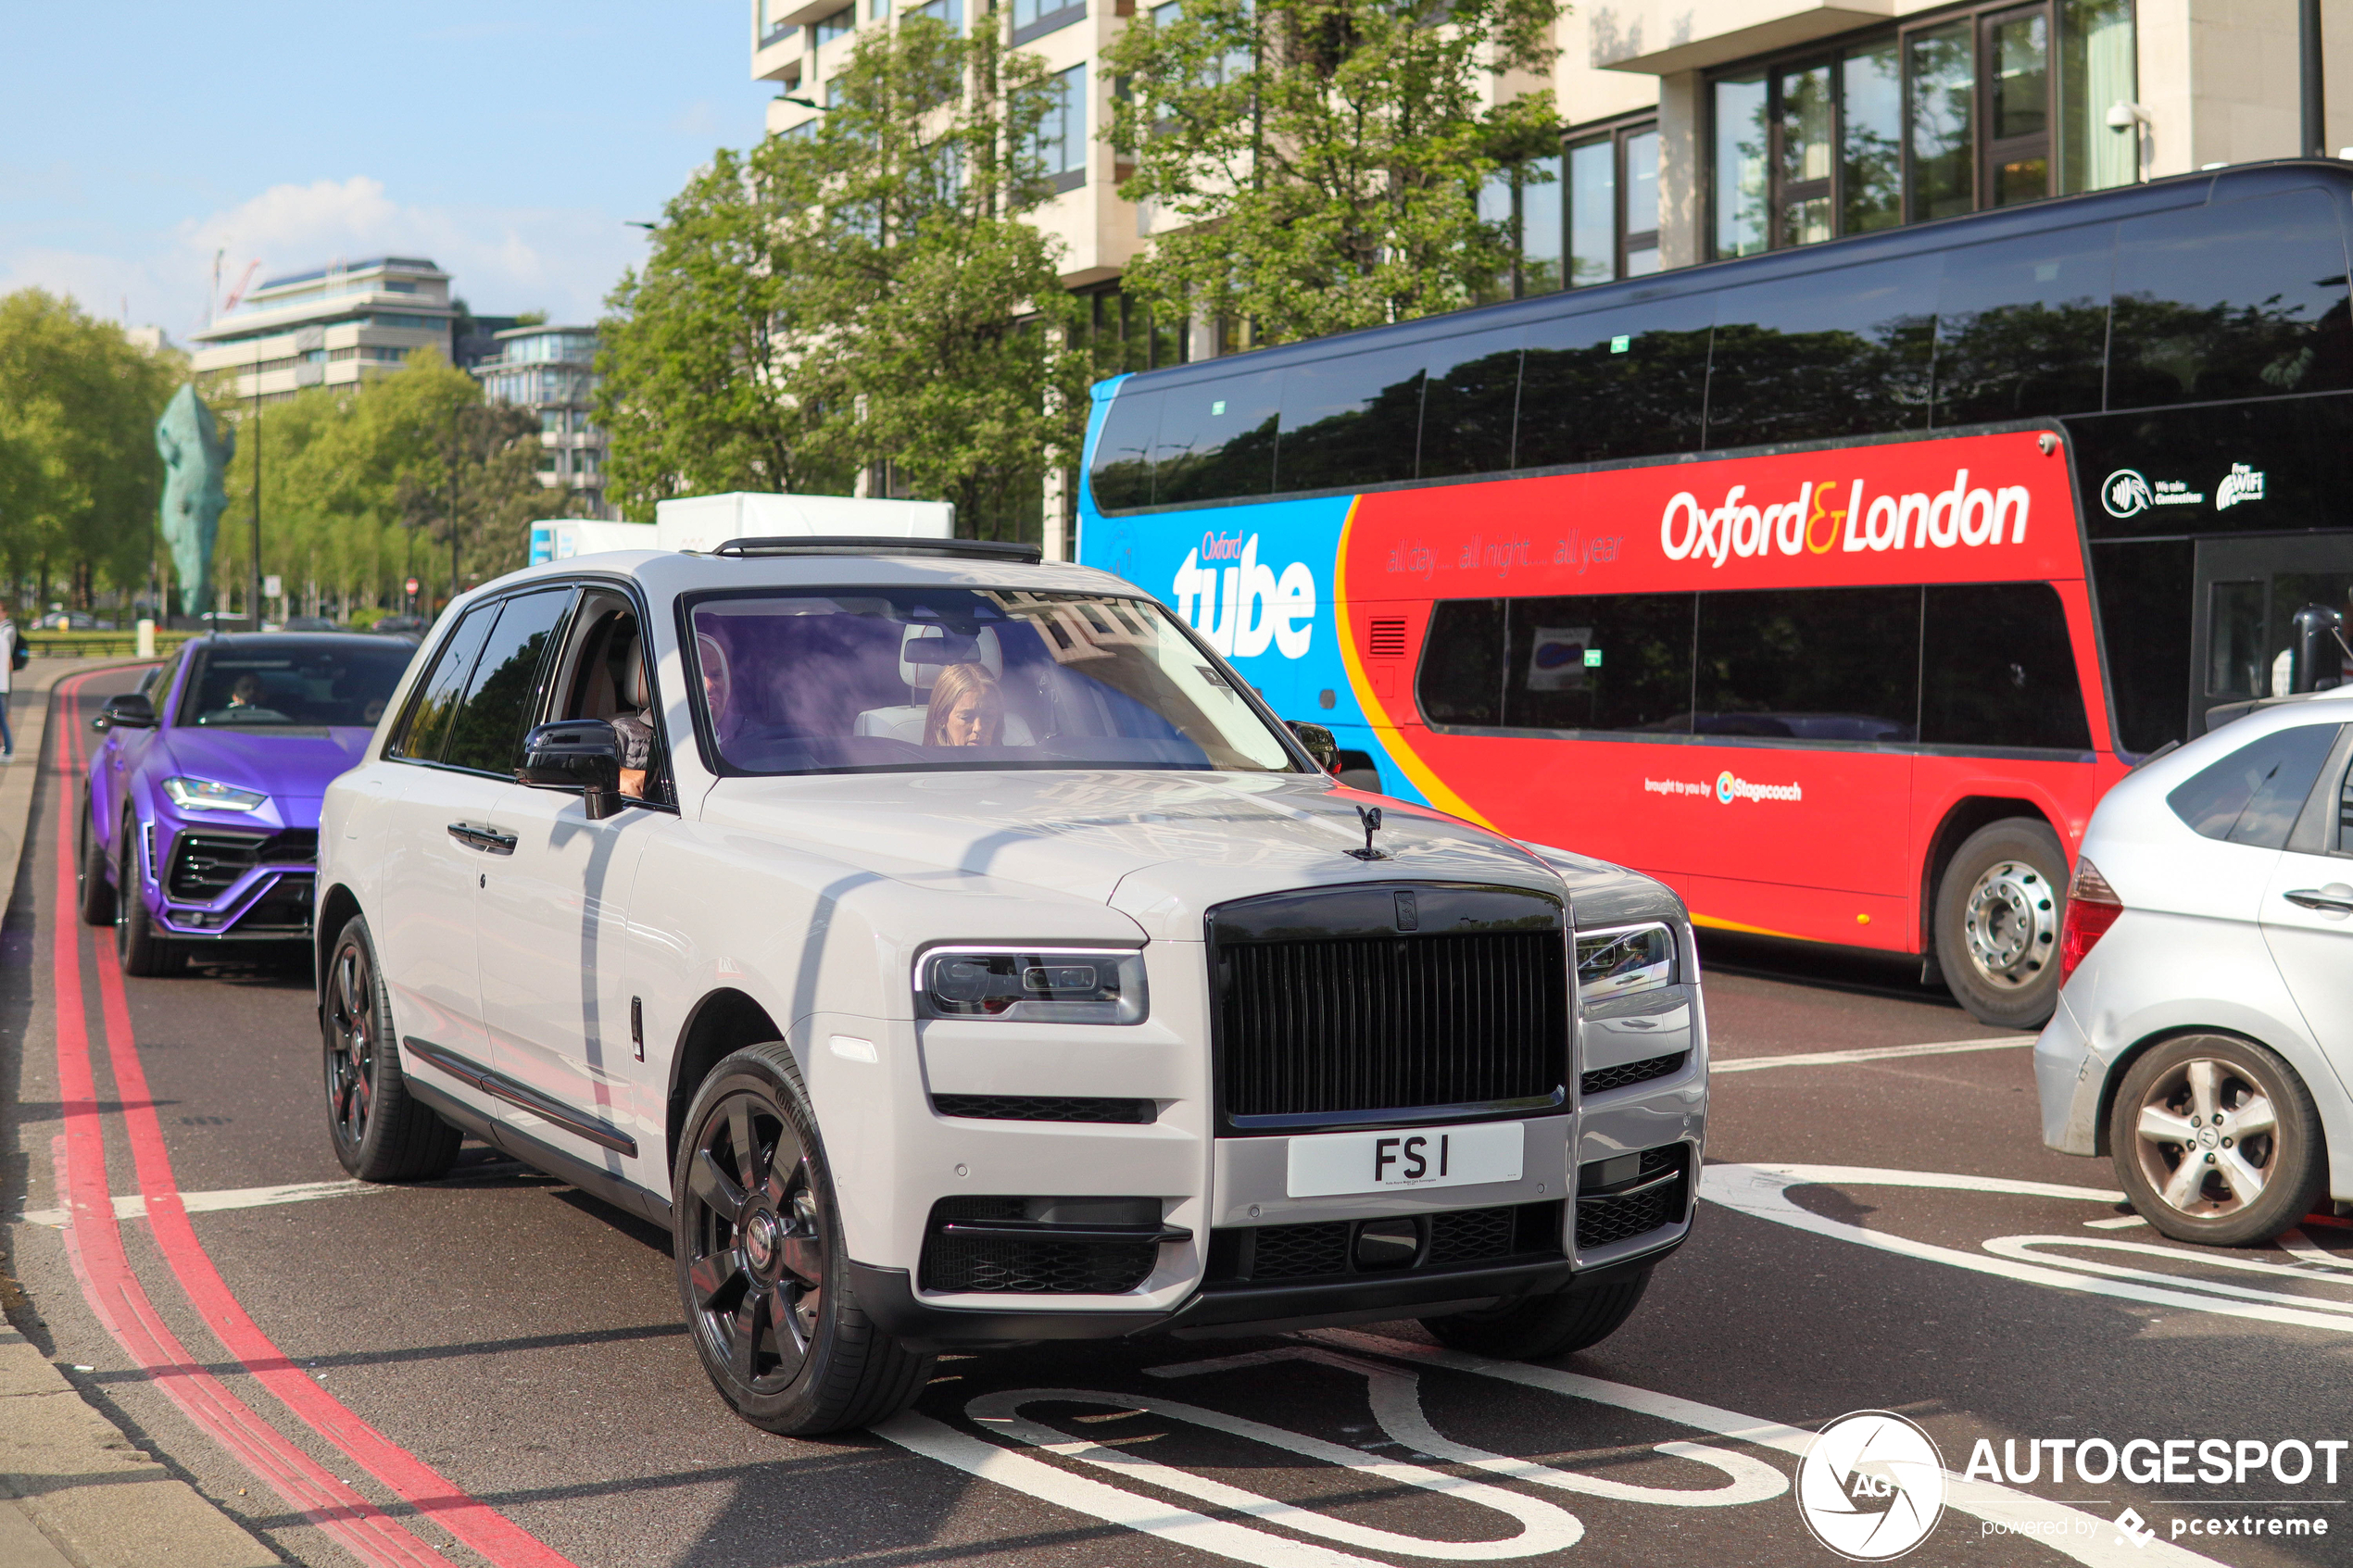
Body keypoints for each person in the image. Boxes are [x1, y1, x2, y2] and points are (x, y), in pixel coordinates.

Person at [926, 662, 1005, 747]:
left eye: (988, 716)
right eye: (966, 717)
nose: (978, 728)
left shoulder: (1016, 758)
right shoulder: (918, 760)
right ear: (940, 717)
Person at [0, 608, 17, 759]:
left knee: (3, 719)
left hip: (1, 686)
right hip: (3, 684)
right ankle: (7, 750)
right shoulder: (3, 637)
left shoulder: (6, 633)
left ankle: (9, 751)